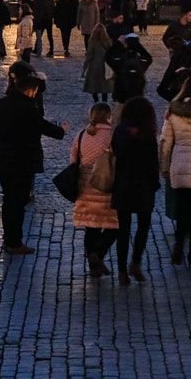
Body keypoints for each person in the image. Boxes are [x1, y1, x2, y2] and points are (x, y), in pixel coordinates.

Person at [0, 67, 64, 253]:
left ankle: (10, 239)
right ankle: (14, 241)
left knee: (9, 200)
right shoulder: (27, 108)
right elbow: (43, 127)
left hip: (3, 159)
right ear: (31, 90)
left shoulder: (2, 104)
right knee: (18, 202)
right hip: (22, 162)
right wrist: (61, 129)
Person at [160, 86, 191, 266]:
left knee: (181, 211)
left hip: (179, 165)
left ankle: (179, 245)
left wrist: (164, 167)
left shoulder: (173, 112)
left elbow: (165, 142)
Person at [69, 103, 119, 277]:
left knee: (91, 226)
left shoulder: (82, 135)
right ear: (108, 116)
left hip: (85, 185)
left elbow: (73, 159)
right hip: (106, 184)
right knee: (114, 225)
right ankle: (97, 254)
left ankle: (93, 265)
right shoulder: (113, 135)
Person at [82, 22, 114, 105]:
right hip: (105, 66)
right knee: (105, 87)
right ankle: (104, 103)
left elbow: (89, 56)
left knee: (93, 86)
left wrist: (84, 69)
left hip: (94, 66)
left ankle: (96, 102)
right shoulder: (108, 42)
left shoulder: (92, 43)